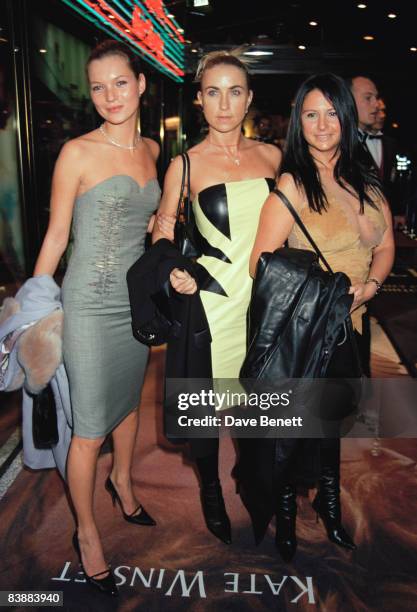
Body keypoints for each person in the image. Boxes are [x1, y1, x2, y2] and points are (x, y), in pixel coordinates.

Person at [33, 40, 162, 596]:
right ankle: (86, 533)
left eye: (120, 82)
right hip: (86, 303)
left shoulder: (154, 150)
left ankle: (124, 484)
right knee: (88, 427)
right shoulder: (77, 153)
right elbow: (58, 235)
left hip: (135, 305)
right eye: (98, 87)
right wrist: (35, 303)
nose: (110, 95)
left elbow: (152, 227)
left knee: (129, 404)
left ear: (141, 85)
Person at [249, 73, 394, 560]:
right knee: (295, 429)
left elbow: (386, 245)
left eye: (331, 112)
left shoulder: (365, 178)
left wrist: (367, 289)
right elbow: (260, 263)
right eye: (311, 114)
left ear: (345, 117)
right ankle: (287, 513)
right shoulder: (292, 182)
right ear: (298, 123)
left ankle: (330, 509)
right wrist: (328, 293)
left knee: (331, 423)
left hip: (351, 327)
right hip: (307, 331)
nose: (322, 123)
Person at [153, 50, 281, 544]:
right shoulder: (184, 166)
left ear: (248, 98)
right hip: (211, 303)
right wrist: (173, 273)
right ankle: (209, 488)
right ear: (199, 101)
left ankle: (249, 477)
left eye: (234, 91)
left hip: (264, 305)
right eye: (213, 92)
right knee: (207, 409)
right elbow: (163, 238)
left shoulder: (273, 157)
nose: (224, 104)